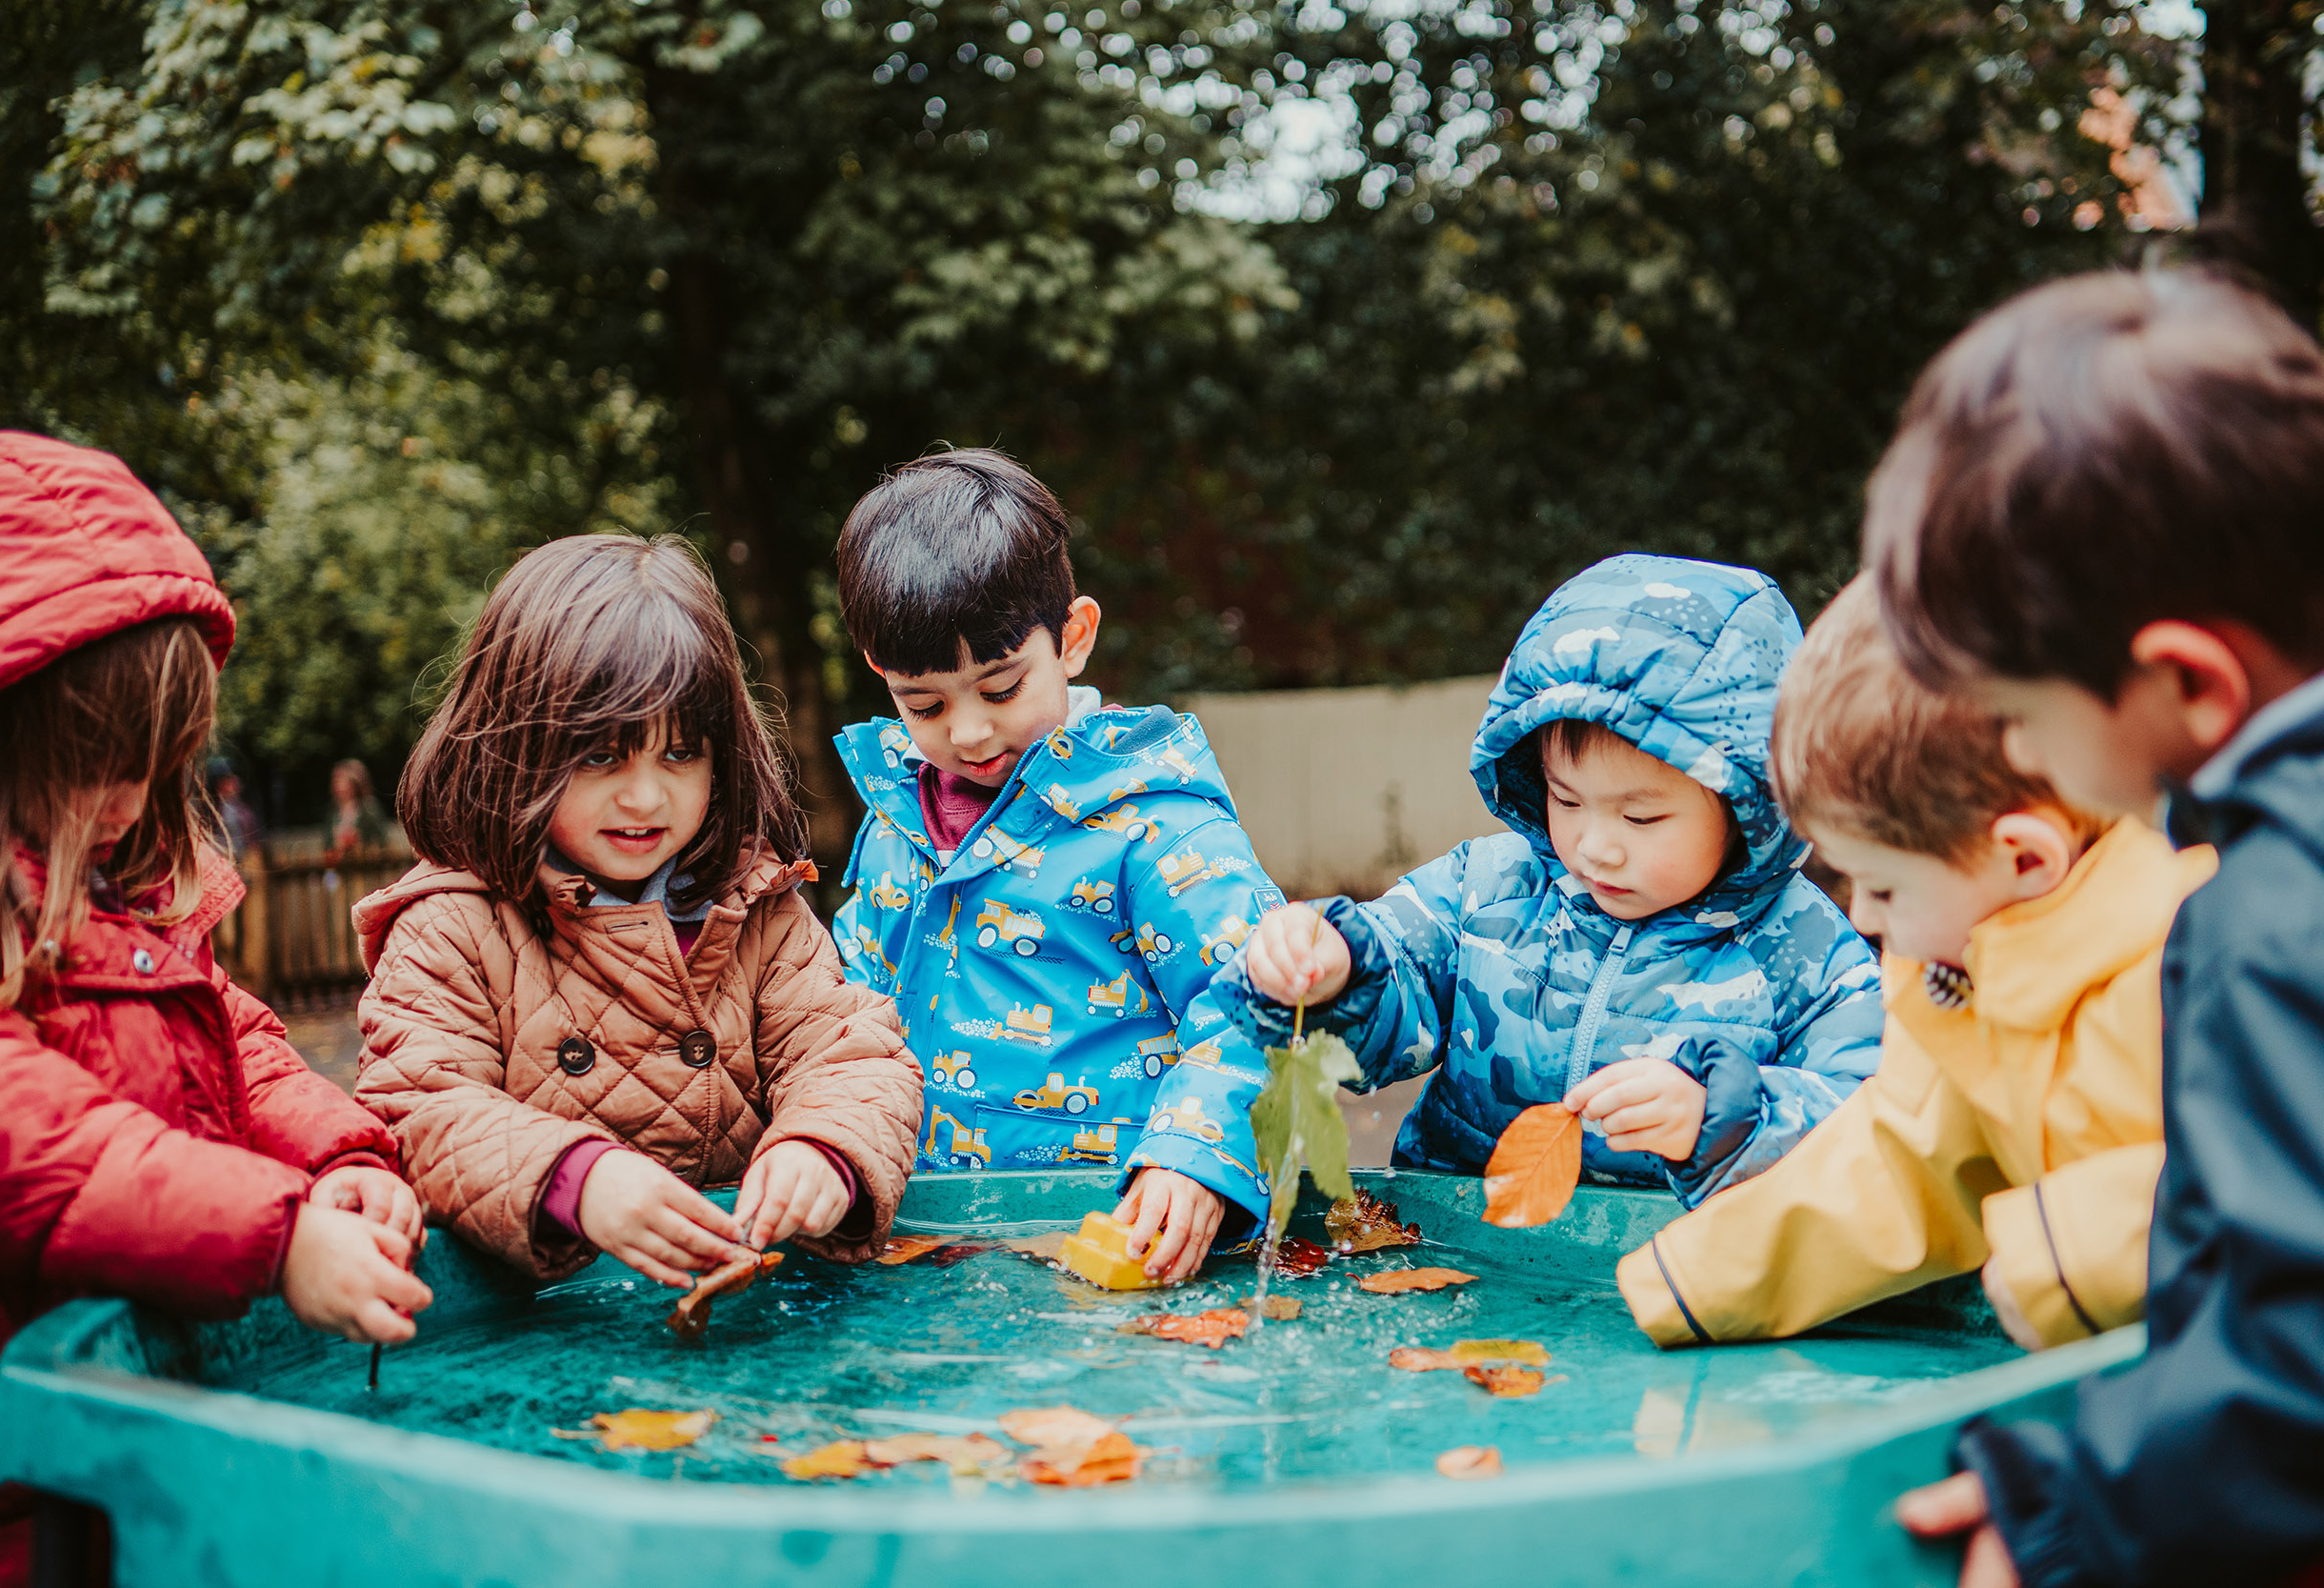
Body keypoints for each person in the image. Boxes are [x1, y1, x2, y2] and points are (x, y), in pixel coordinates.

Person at [1864, 271, 2324, 1588]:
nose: (2020, 751)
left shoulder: (2283, 910)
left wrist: (2074, 1508)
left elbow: (2321, 1342)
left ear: (2188, 681)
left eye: (2019, 708)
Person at [0, 432, 429, 1584]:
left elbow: (240, 1046)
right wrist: (275, 1233)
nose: (131, 797)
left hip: (135, 1444)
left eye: (155, 756)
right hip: (11, 1490)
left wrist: (338, 1154)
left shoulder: (124, 906)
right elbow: (48, 1148)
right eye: (94, 756)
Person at [1613, 578, 2213, 1351]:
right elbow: (1905, 1159)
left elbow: (2284, 1177)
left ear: (2024, 856)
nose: (1862, 914)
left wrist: (2067, 1256)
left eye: (1886, 884)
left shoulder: (2199, 954)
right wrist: (1691, 1280)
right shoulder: (1956, 972)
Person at [352, 534, 922, 1287]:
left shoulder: (754, 903)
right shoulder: (451, 926)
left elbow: (850, 1053)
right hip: (546, 1328)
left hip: (750, 1313)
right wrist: (579, 1180)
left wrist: (824, 1148)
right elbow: (418, 1110)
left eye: (680, 754)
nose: (646, 797)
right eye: (599, 757)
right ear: (512, 747)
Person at [1236, 555, 1883, 1205]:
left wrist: (1726, 1120)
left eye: (1641, 815)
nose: (1595, 847)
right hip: (1456, 1243)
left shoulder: (1803, 951)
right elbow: (1394, 971)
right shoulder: (1485, 888)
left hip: (1666, 1268)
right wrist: (1333, 969)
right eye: (1567, 800)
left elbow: (1875, 1115)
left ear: (1750, 803)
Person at [830, 450, 1283, 1281]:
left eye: (1000, 688)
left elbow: (1256, 1000)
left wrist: (1192, 1153)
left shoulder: (1152, 820)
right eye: (923, 703)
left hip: (1116, 1237)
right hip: (926, 1242)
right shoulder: (895, 818)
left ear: (1073, 637)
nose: (967, 733)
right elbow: (840, 1012)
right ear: (880, 675)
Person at [325, 757, 386, 858]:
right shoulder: (333, 812)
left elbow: (381, 841)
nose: (338, 785)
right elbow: (327, 844)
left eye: (342, 780)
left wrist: (358, 842)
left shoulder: (369, 808)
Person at [208, 756, 263, 860]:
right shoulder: (209, 811)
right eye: (226, 780)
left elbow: (254, 843)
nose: (234, 782)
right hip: (219, 861)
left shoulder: (245, 812)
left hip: (242, 861)